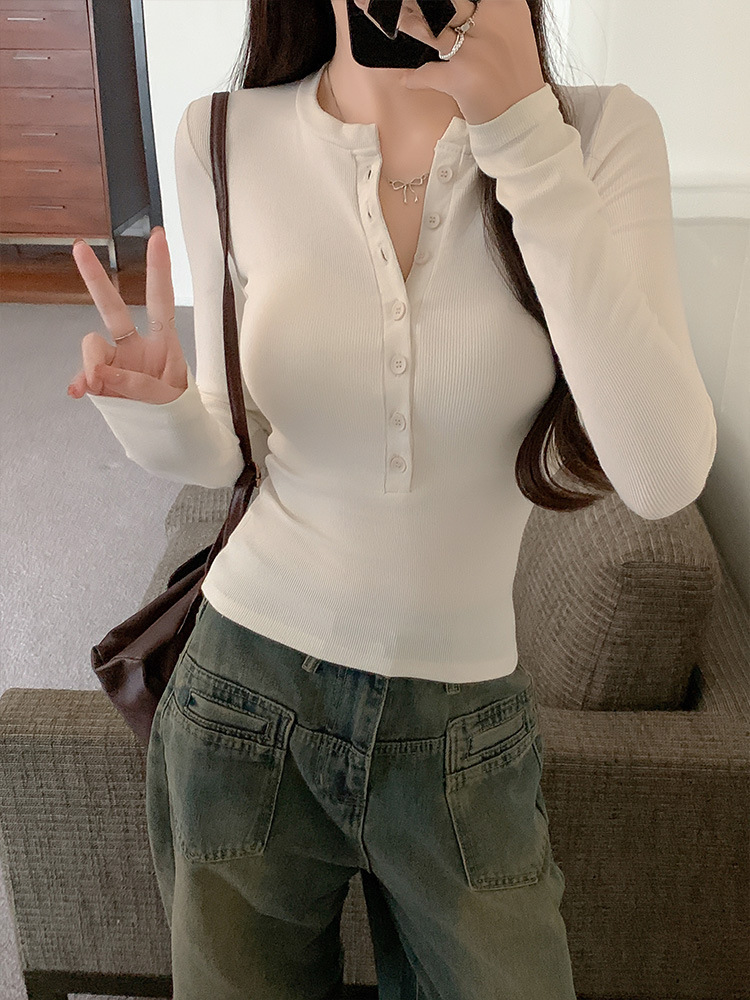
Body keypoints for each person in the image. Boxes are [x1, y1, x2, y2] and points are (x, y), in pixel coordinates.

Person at [67, 1, 716, 998]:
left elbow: (662, 471)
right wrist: (154, 412)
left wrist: (520, 132)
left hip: (466, 729)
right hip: (244, 697)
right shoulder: (224, 136)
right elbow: (232, 445)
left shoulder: (594, 133)